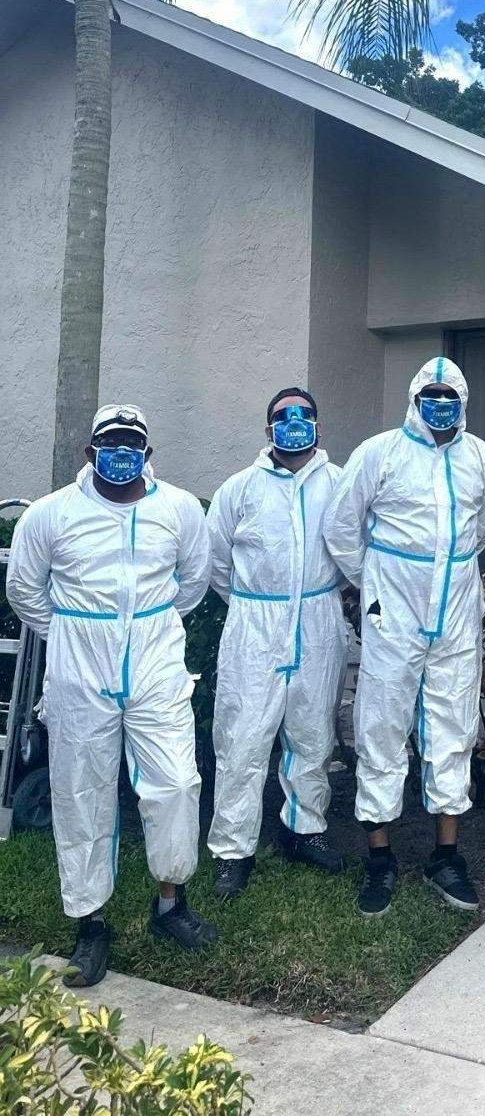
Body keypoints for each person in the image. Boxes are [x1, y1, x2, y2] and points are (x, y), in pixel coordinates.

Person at [6, 405, 215, 987]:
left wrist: (145, 627)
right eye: (110, 442)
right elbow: (24, 589)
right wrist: (74, 633)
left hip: (155, 659)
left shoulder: (178, 509)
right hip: (79, 666)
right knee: (81, 790)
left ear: (148, 453)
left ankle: (170, 902)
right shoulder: (50, 515)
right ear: (89, 451)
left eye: (131, 443)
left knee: (176, 782)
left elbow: (193, 581)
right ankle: (91, 923)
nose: (121, 453)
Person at [323, 357, 485, 917]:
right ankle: (380, 856)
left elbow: (482, 527)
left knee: (453, 724)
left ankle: (446, 856)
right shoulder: (379, 453)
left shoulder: (479, 456)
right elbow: (341, 527)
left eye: (451, 395)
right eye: (432, 394)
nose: (441, 404)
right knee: (381, 723)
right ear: (415, 398)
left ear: (463, 401)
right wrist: (373, 585)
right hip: (393, 612)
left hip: (456, 612)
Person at [205, 388, 349, 899]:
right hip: (255, 625)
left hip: (318, 620)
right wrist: (256, 605)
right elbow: (214, 561)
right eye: (282, 415)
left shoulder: (339, 484)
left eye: (303, 414)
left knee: (313, 733)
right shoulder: (240, 488)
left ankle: (304, 829)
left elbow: (353, 546)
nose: (293, 421)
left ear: (318, 426)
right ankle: (232, 850)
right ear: (268, 429)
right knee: (242, 737)